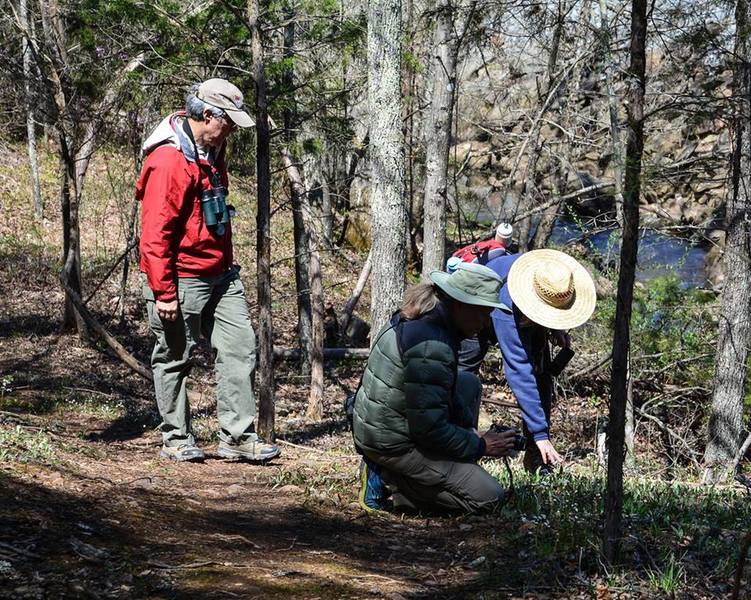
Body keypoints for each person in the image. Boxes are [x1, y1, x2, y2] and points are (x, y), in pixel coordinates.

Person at [137, 78, 279, 463]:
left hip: (221, 273)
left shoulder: (213, 148)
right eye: (227, 121)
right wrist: (164, 292)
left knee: (239, 348)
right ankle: (176, 439)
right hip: (180, 277)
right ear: (206, 115)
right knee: (174, 355)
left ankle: (236, 437)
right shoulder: (168, 162)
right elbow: (154, 235)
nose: (231, 128)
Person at [352, 263, 520, 514]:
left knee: (468, 383)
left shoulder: (425, 317)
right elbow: (429, 430)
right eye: (483, 313)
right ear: (462, 304)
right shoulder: (432, 346)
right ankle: (392, 479)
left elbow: (438, 398)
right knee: (490, 497)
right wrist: (481, 446)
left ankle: (424, 471)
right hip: (391, 444)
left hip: (387, 427)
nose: (486, 323)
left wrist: (471, 435)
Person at [484, 249, 596, 474]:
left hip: (524, 310)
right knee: (464, 378)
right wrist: (540, 432)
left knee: (543, 374)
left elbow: (548, 299)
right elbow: (518, 369)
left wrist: (556, 327)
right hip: (482, 313)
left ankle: (536, 457)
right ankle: (462, 446)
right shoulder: (504, 309)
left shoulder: (549, 277)